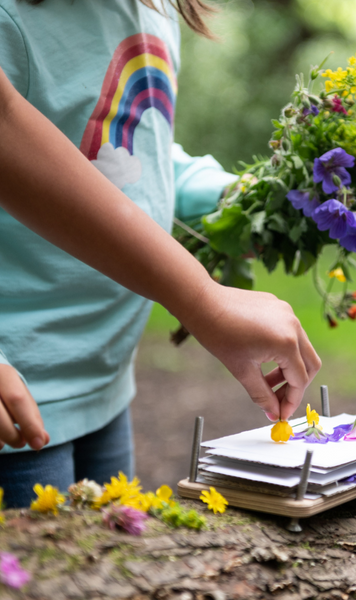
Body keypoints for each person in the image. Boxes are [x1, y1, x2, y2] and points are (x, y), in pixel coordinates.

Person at [0, 0, 321, 507]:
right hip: (18, 402)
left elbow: (123, 152)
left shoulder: (153, 10)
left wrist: (235, 199)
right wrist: (203, 299)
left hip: (106, 380)